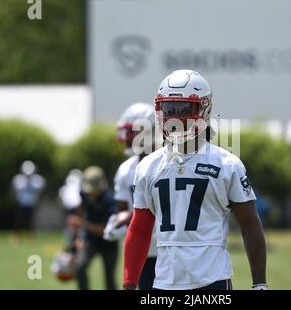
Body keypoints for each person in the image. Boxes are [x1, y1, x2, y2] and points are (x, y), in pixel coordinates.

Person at [123, 69, 267, 290]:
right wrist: (129, 284)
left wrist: (259, 283)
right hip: (164, 282)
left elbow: (249, 224)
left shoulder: (227, 164)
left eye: (182, 109)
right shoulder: (147, 167)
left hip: (211, 281)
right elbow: (140, 229)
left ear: (205, 107)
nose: (174, 117)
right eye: (167, 108)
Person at [103, 103, 160, 290]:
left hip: (170, 248)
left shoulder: (169, 164)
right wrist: (117, 223)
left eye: (130, 133)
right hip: (141, 251)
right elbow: (123, 210)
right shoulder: (125, 170)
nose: (125, 138)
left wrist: (127, 217)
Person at [67, 166, 118, 290]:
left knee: (109, 280)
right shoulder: (84, 194)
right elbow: (79, 211)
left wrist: (82, 224)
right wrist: (72, 244)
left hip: (109, 241)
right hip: (90, 240)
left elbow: (105, 229)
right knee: (80, 267)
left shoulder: (110, 201)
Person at [11, 160, 45, 241]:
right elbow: (15, 190)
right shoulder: (18, 179)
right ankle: (16, 236)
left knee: (31, 221)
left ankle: (31, 237)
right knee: (19, 221)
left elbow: (40, 189)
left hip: (32, 203)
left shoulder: (37, 179)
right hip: (21, 203)